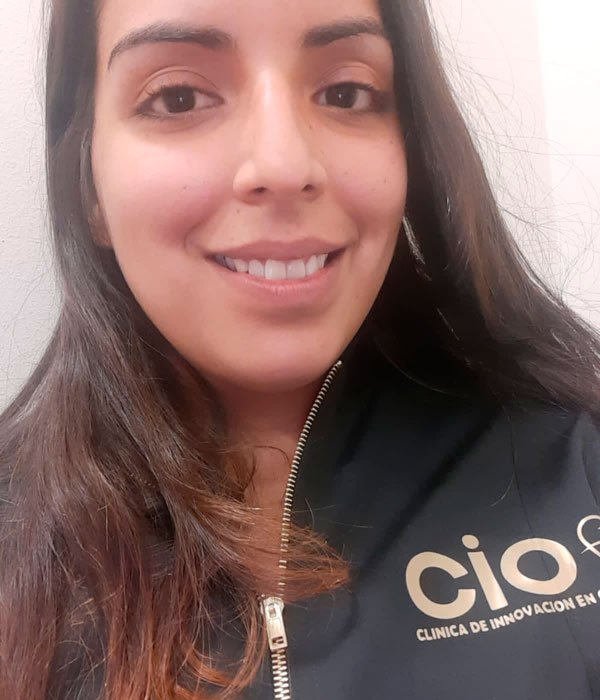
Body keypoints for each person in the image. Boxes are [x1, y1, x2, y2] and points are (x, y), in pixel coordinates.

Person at [1, 0, 599, 698]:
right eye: (178, 97)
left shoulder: (576, 459)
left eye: (345, 93)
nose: (284, 165)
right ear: (88, 184)